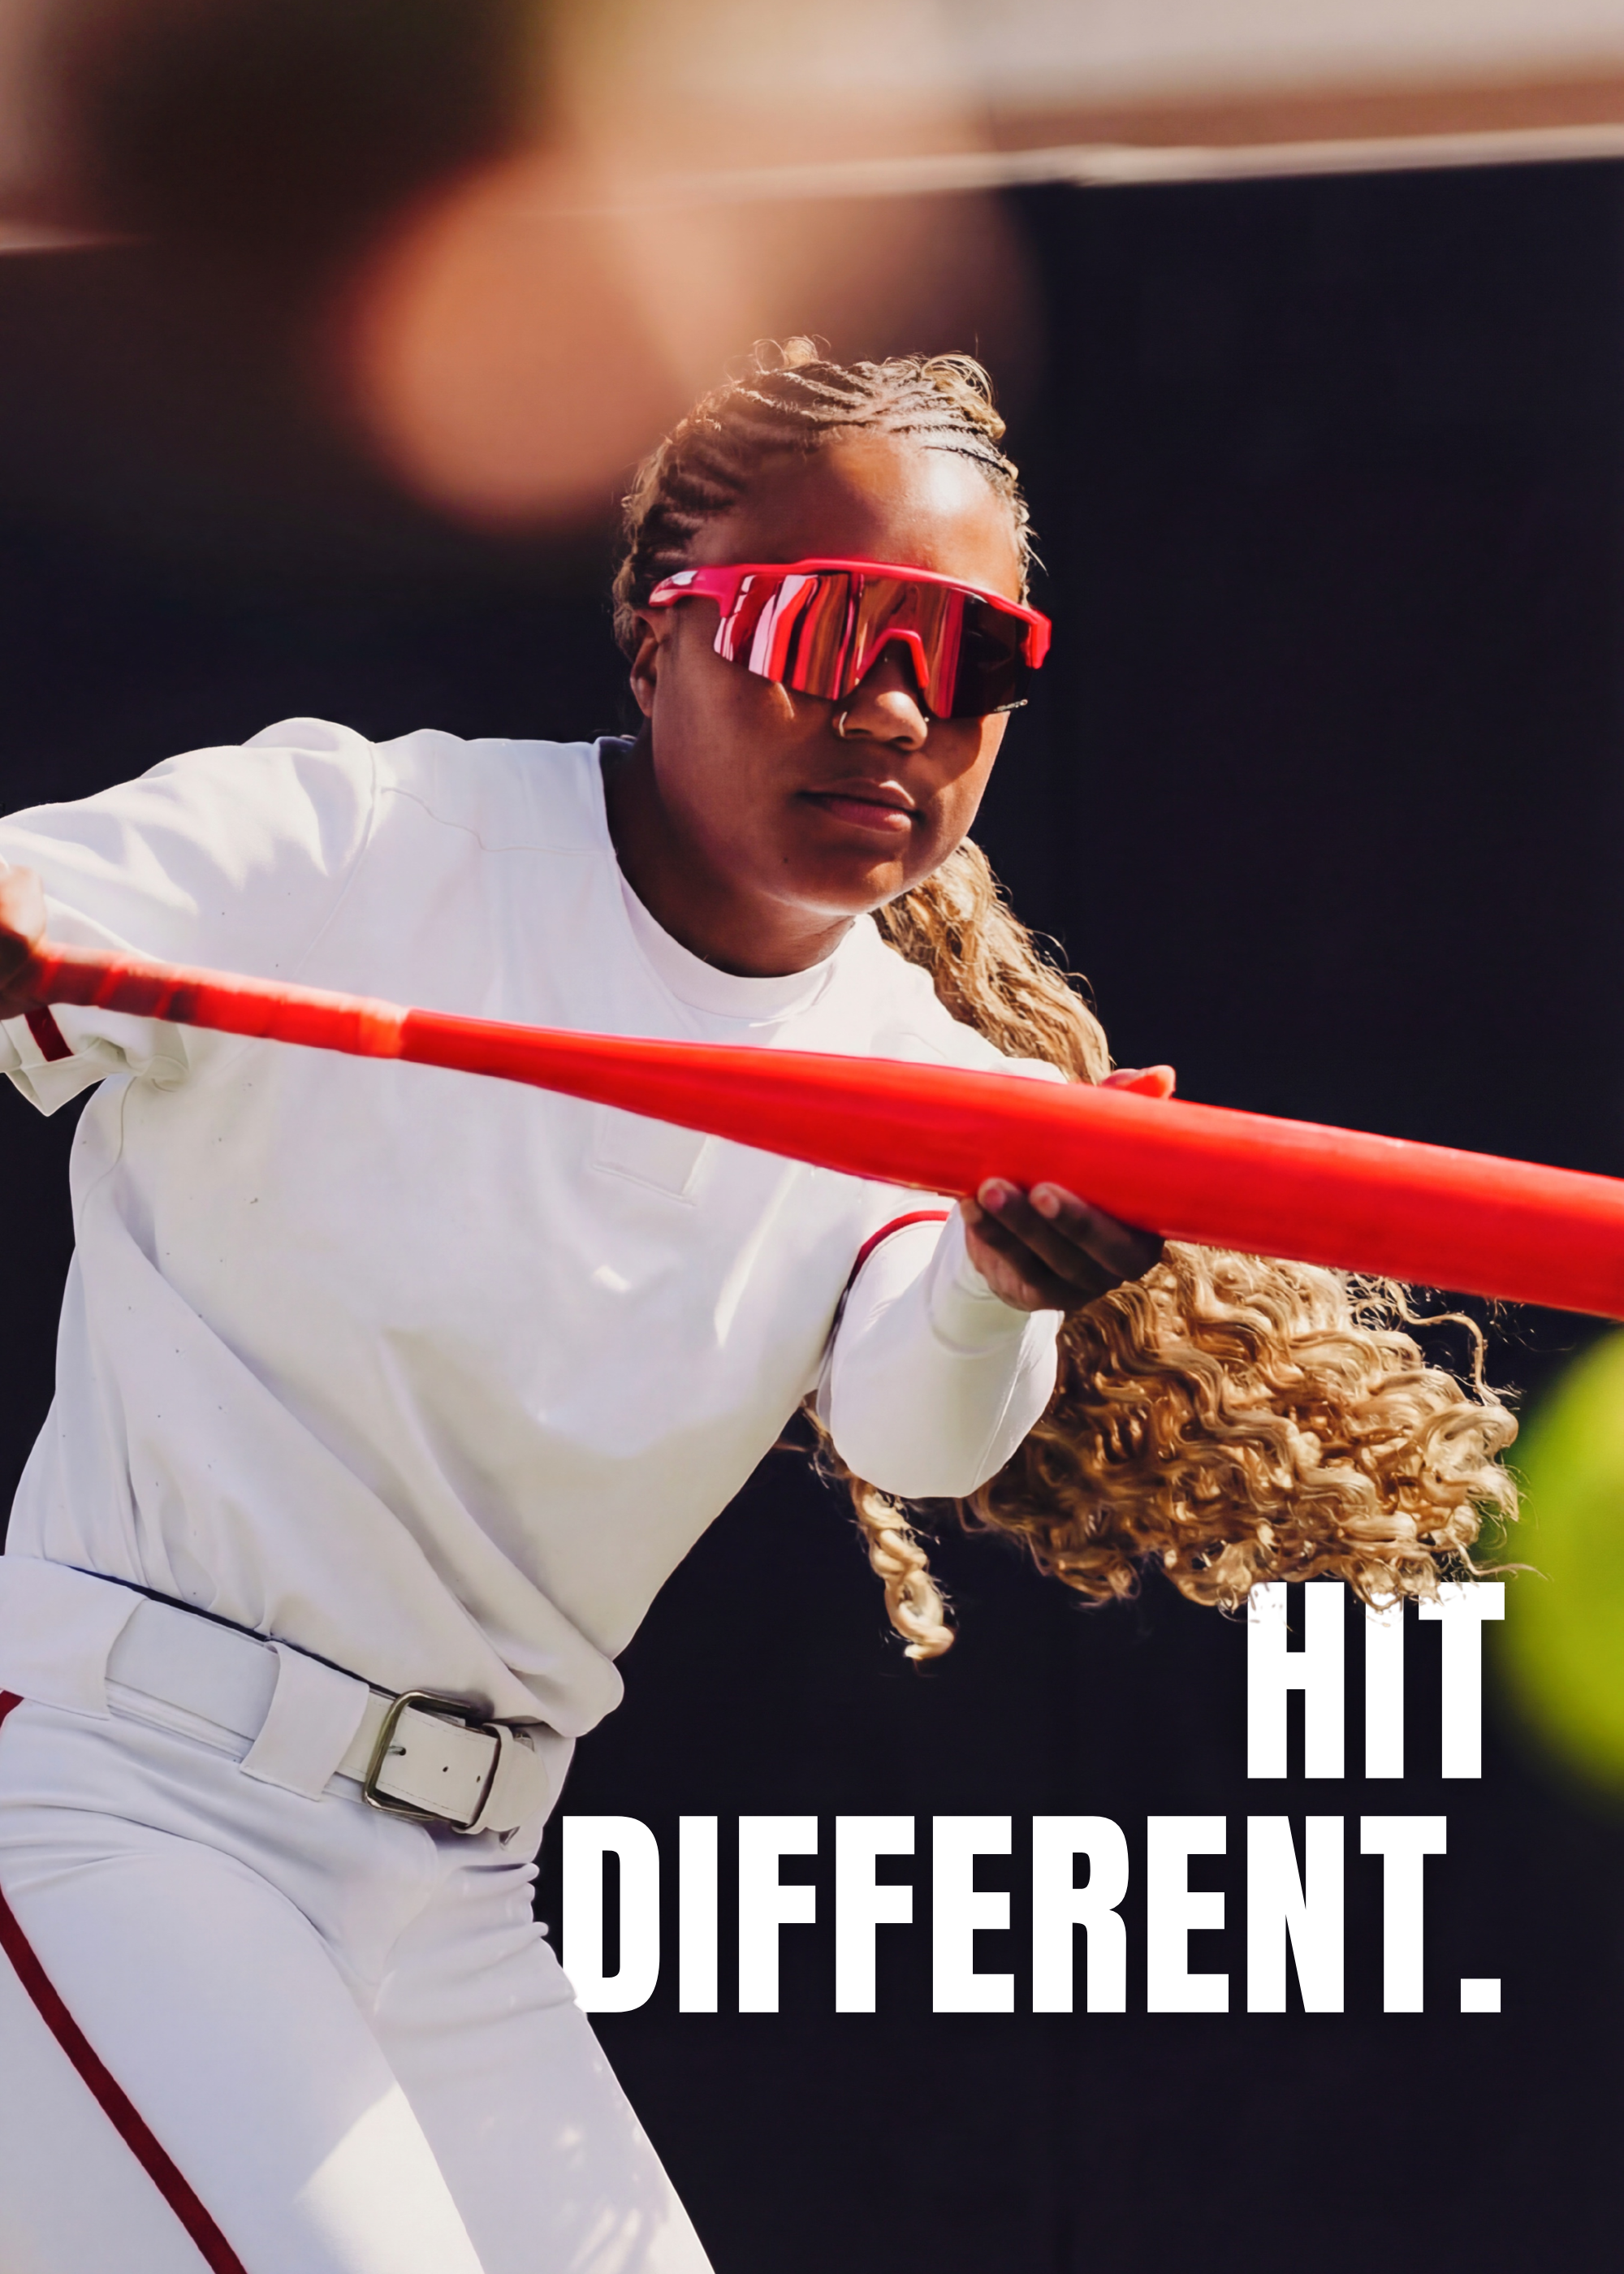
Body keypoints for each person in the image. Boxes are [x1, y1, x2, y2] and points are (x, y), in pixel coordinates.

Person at [0, 342, 1514, 2274]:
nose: (889, 705)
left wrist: (989, 1278)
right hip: (124, 1795)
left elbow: (914, 1420)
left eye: (961, 655)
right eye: (820, 624)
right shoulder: (354, 842)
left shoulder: (918, 1079)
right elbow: (39, 903)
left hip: (456, 1883)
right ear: (655, 635)